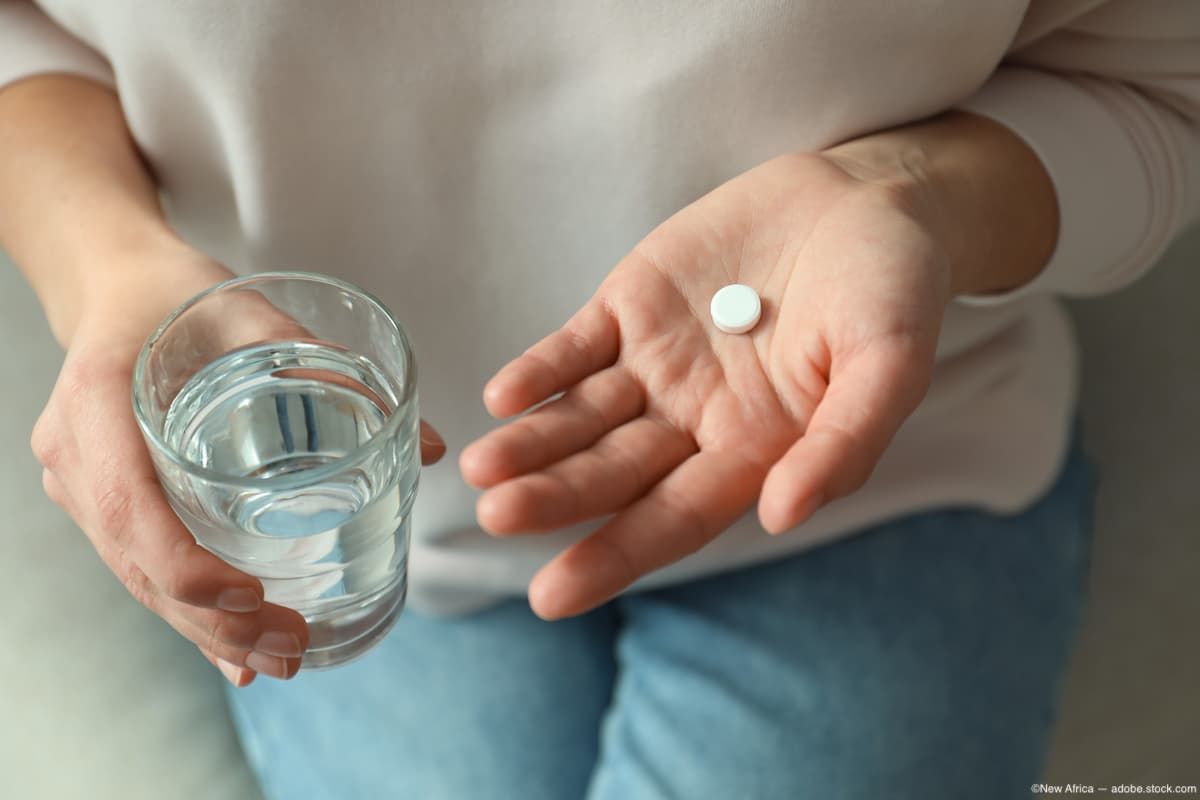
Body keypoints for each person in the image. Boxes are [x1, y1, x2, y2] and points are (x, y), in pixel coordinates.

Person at [1, 1, 1196, 798]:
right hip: (347, 505)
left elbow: (1161, 84)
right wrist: (110, 269)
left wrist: (906, 194)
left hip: (875, 469)